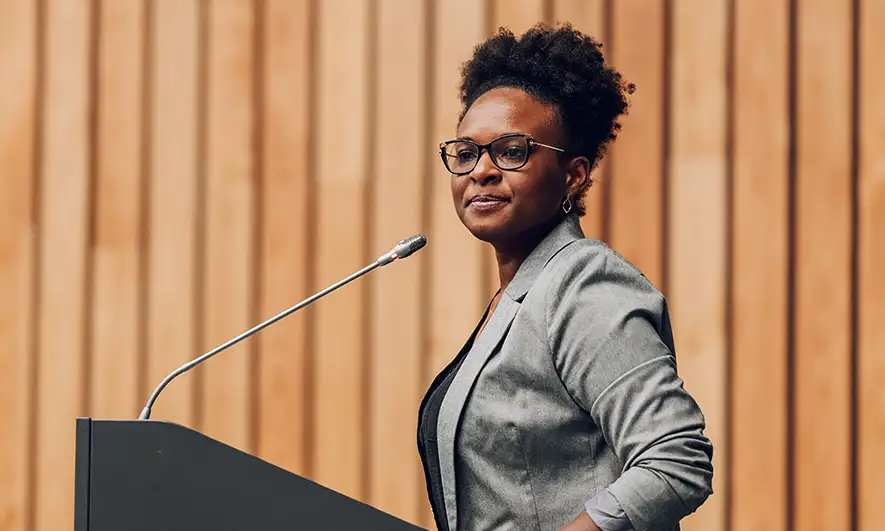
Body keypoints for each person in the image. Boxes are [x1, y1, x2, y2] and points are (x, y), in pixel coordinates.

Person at [416, 23, 714, 531]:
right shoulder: (518, 298)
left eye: (512, 150)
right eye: (466, 153)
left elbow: (675, 457)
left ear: (573, 175)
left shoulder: (583, 283)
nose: (481, 170)